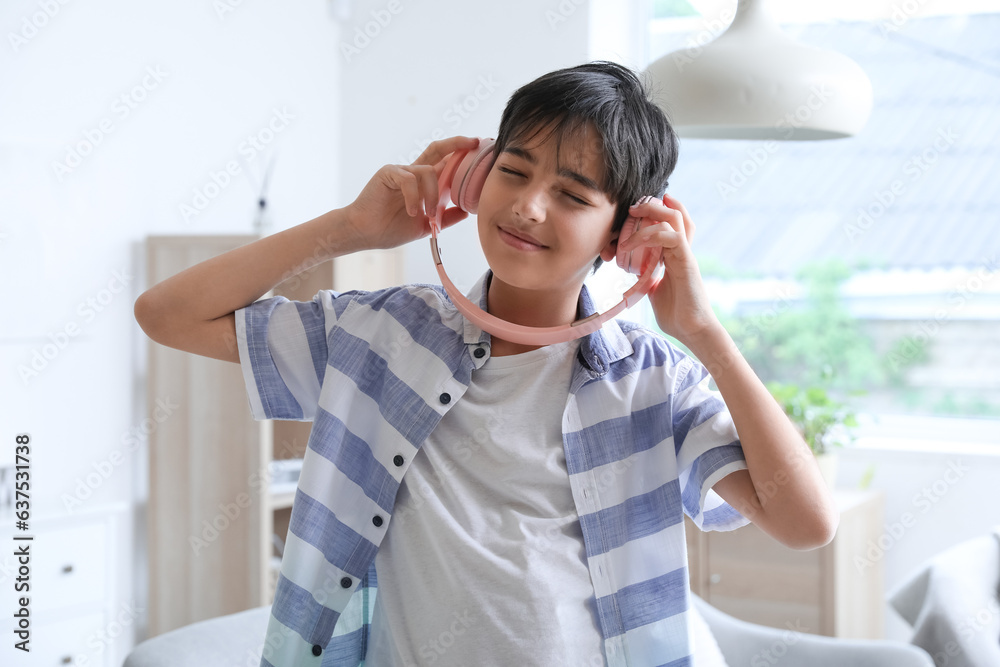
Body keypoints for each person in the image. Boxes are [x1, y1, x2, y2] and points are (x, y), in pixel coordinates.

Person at [134, 61, 838, 667]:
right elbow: (166, 314)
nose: (528, 206)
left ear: (624, 233)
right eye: (512, 170)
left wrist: (702, 329)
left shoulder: (653, 381)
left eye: (572, 194)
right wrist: (351, 227)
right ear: (472, 179)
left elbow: (805, 522)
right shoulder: (379, 334)